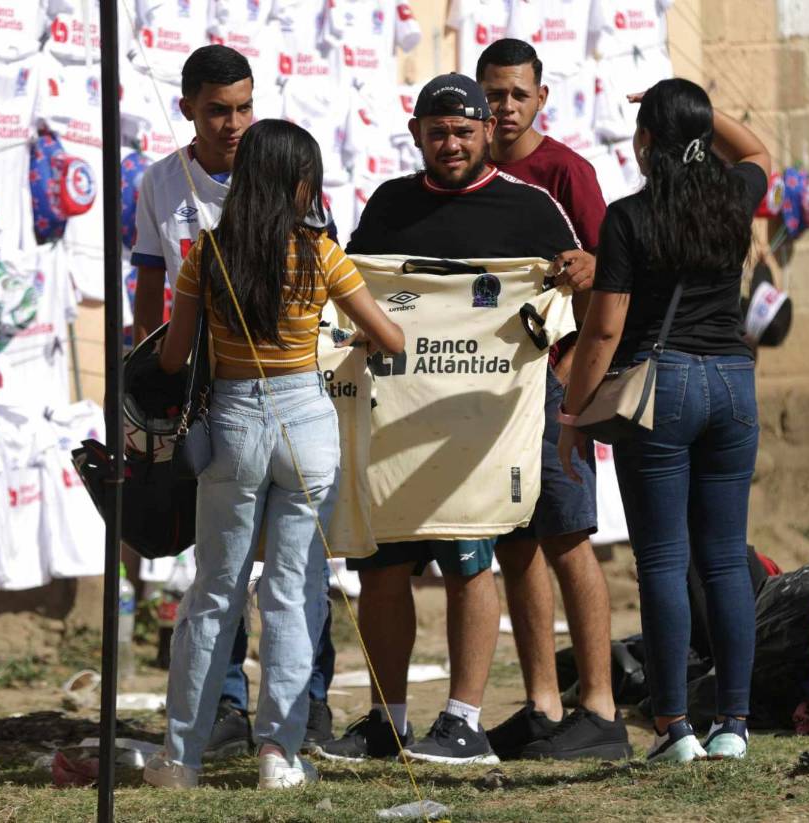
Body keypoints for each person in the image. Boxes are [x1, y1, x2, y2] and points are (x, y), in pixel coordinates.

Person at [319, 73, 584, 766]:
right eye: (437, 131)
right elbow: (355, 293)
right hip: (395, 420)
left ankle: (465, 720)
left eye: (464, 131)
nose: (451, 143)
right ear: (416, 135)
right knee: (382, 570)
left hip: (481, 430)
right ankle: (388, 719)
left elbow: (576, 301)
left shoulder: (532, 208)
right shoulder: (389, 205)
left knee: (471, 560)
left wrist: (547, 384)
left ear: (488, 133)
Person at [143, 119, 405, 789]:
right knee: (294, 591)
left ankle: (182, 756)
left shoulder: (209, 251)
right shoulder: (320, 252)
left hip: (232, 425)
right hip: (308, 425)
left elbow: (172, 357)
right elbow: (391, 337)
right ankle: (278, 755)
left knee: (214, 593)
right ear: (301, 182)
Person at [130, 44, 339, 757]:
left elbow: (332, 294)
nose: (234, 123)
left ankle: (300, 716)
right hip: (213, 403)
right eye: (218, 110)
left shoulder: (284, 167)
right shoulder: (159, 184)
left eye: (245, 106)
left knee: (296, 573)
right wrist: (153, 393)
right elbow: (150, 303)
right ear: (187, 106)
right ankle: (221, 714)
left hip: (292, 398)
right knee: (221, 571)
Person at [557, 78, 771, 763]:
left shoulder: (628, 217)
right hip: (735, 382)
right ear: (704, 141)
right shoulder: (733, 201)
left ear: (644, 143)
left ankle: (676, 727)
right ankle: (734, 723)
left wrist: (573, 412)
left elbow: (604, 329)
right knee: (726, 560)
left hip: (665, 386)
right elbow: (759, 149)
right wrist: (706, 111)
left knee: (663, 561)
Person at [473, 39, 629, 761]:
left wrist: (578, 374)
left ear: (541, 97)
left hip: (556, 386)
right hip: (488, 394)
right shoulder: (467, 172)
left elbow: (614, 276)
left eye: (515, 94)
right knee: (514, 544)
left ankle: (598, 707)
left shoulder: (567, 171)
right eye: (492, 94)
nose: (504, 107)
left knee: (568, 538)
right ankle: (541, 703)